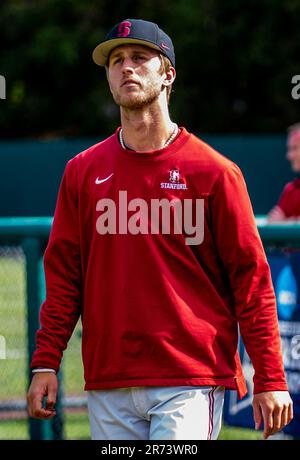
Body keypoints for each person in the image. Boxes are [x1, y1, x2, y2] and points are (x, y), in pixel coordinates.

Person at [26, 18, 293, 441]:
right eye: (115, 61)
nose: (125, 68)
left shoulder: (215, 172)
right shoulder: (82, 172)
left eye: (138, 57)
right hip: (109, 377)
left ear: (168, 74)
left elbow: (252, 281)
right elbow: (64, 280)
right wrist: (45, 362)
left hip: (188, 376)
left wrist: (271, 377)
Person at [268, 123, 300, 222]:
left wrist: (286, 222)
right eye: (289, 149)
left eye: (294, 148)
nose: (289, 156)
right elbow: (274, 221)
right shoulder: (290, 189)